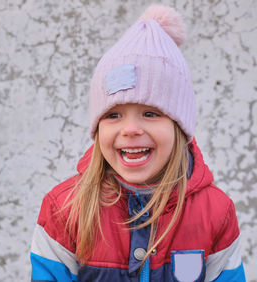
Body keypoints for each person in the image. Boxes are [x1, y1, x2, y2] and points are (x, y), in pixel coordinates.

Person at [30, 5, 245, 282]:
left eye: (151, 113)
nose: (130, 129)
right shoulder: (64, 209)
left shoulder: (215, 212)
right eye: (113, 115)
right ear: (97, 128)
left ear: (179, 126)